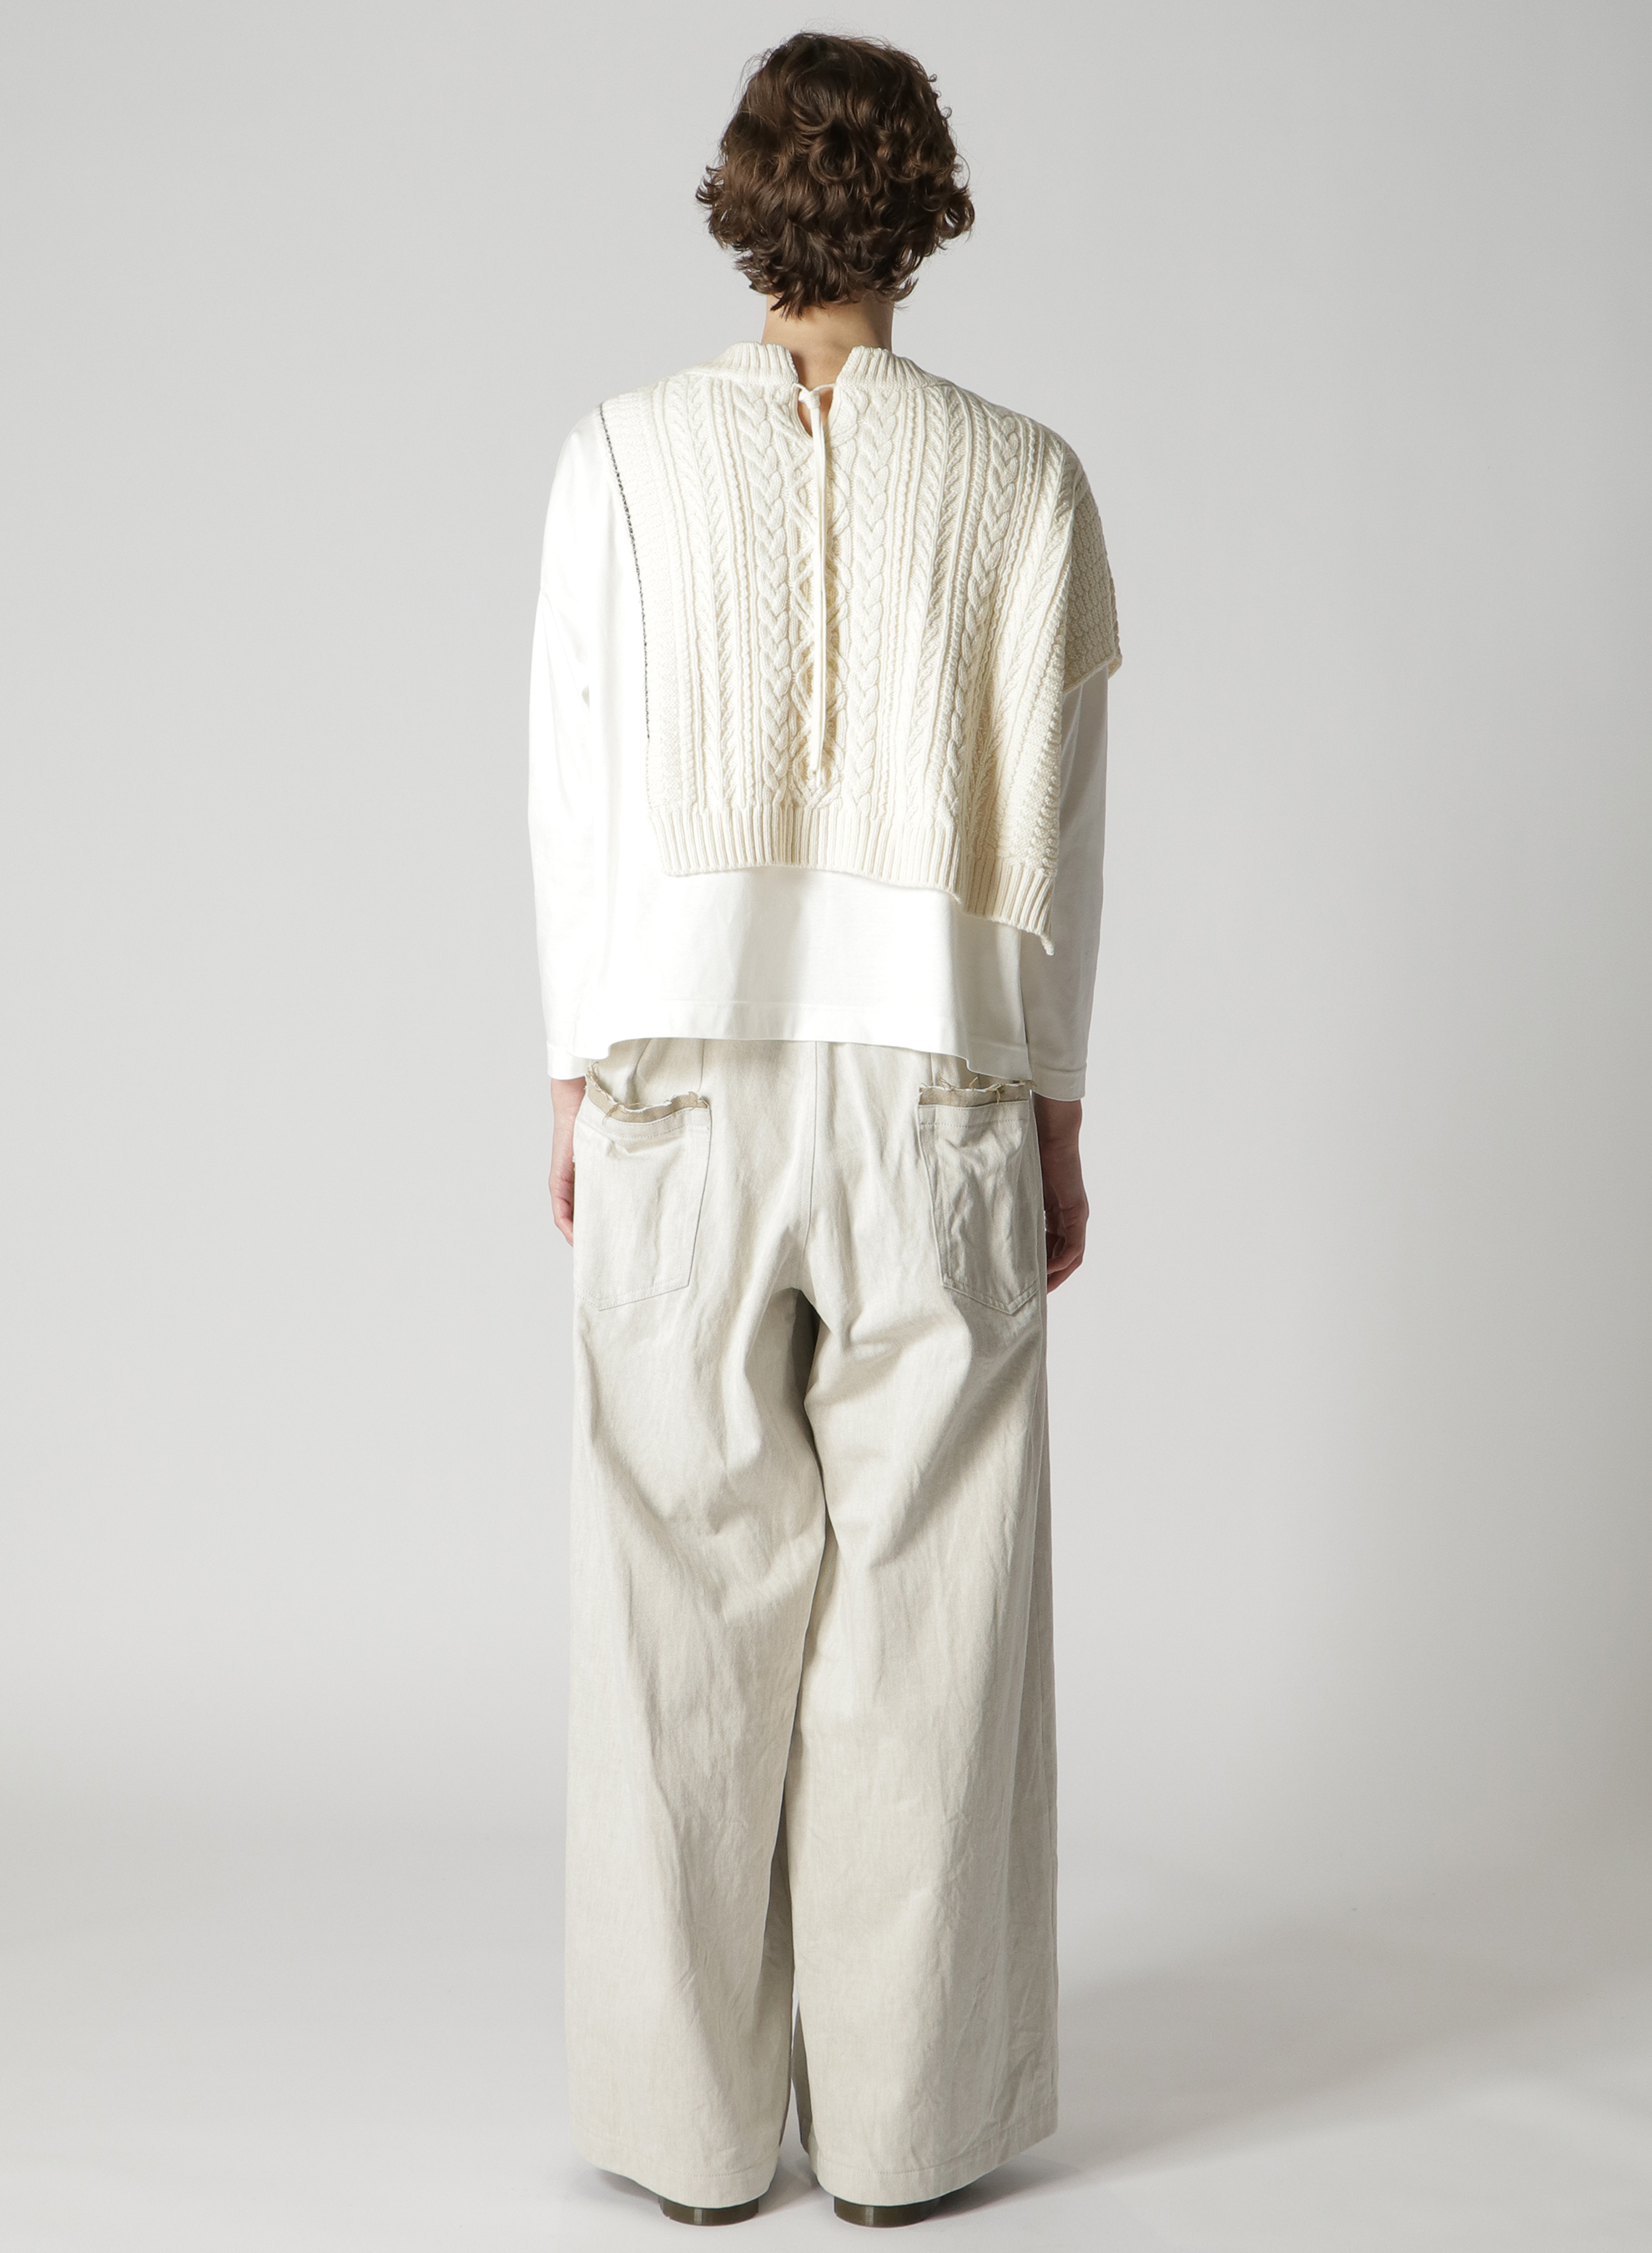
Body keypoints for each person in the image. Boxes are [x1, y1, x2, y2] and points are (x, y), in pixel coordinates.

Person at [527, 30, 1121, 2229]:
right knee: (927, 1615)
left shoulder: (613, 462)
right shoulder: (1027, 481)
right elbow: (1055, 840)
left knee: (678, 1601)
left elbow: (570, 792)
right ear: (923, 210)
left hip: (678, 1076)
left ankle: (687, 2139)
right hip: (938, 1083)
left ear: (743, 198)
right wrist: (1052, 1112)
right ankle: (903, 2139)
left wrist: (572, 1073)